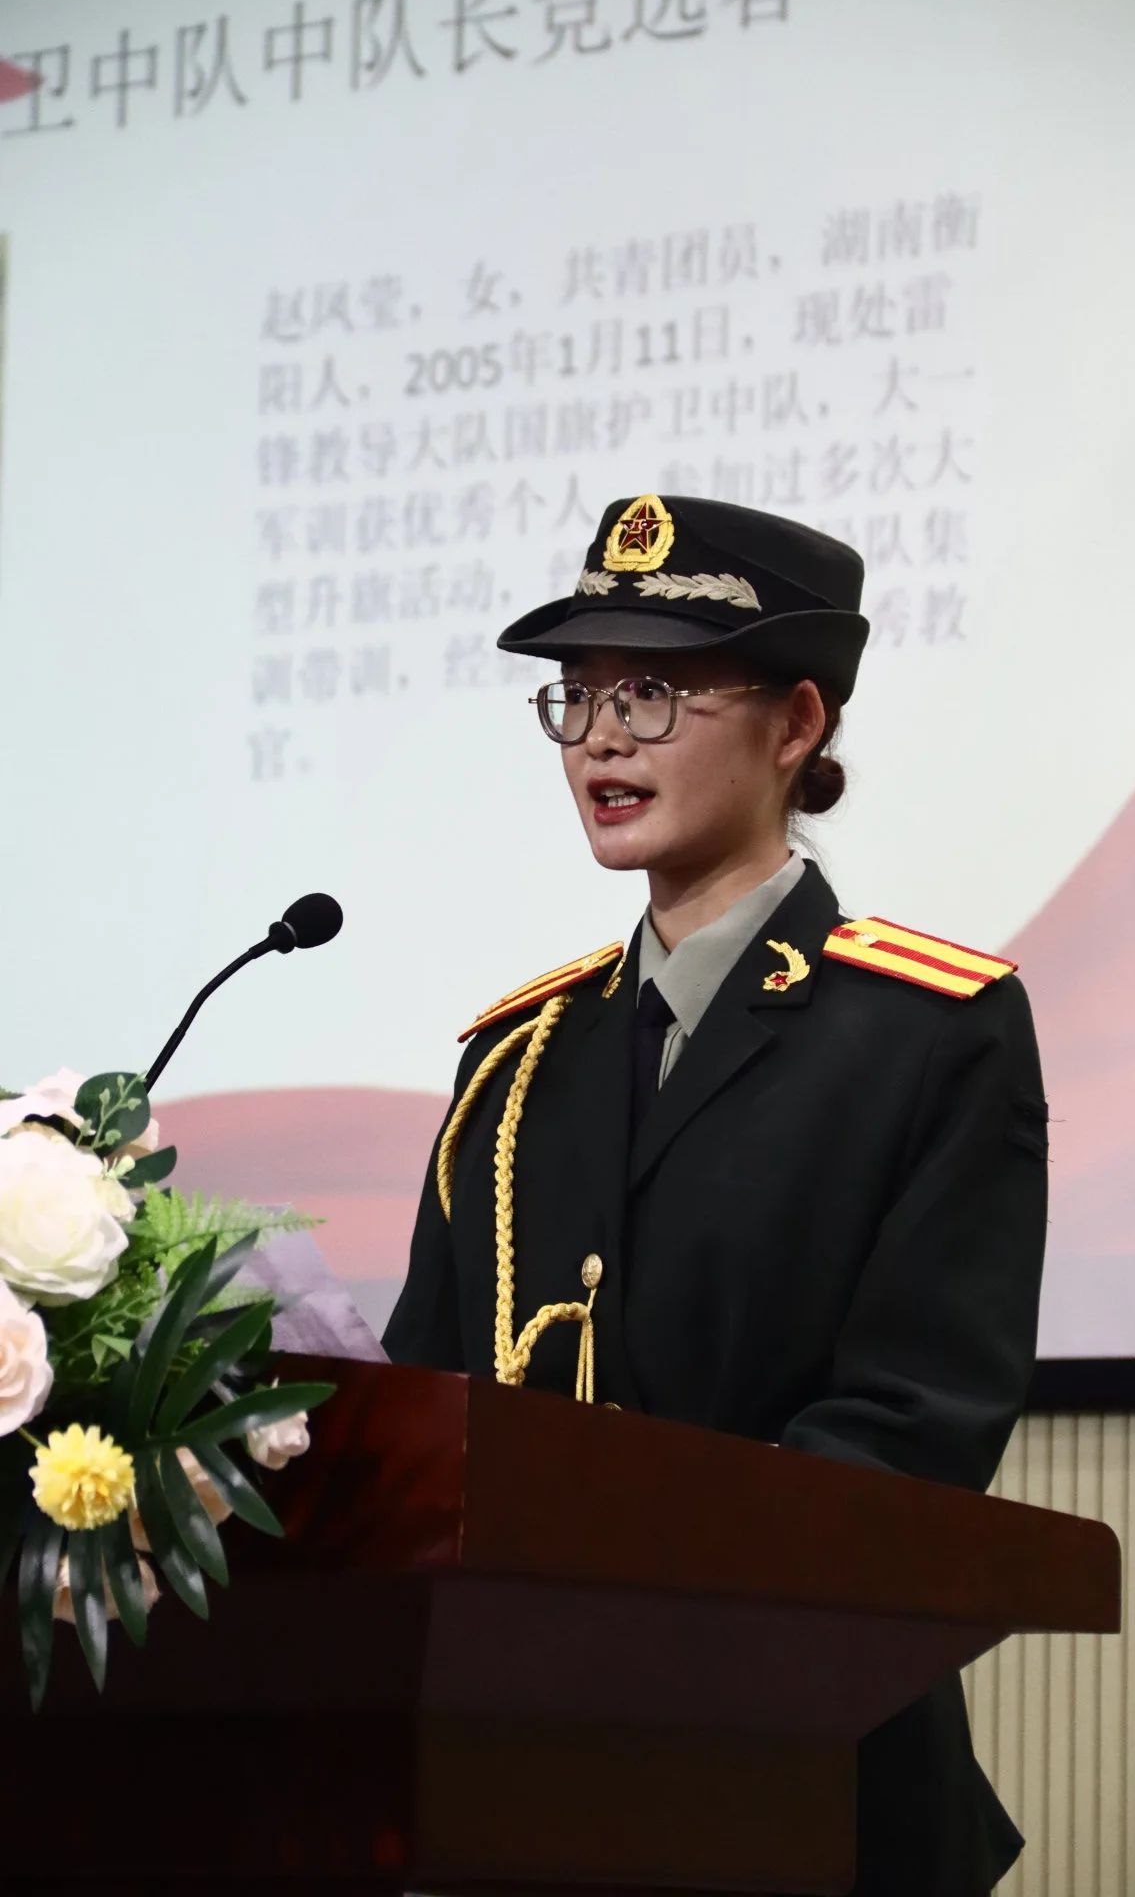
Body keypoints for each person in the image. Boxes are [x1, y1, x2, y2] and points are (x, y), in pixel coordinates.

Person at [383, 492, 1050, 1895]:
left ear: (797, 724)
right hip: (521, 1785)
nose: (602, 739)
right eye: (577, 696)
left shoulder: (929, 1033)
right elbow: (424, 1410)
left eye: (655, 693)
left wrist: (635, 1627)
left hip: (809, 1787)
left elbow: (913, 1426)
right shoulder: (516, 1062)